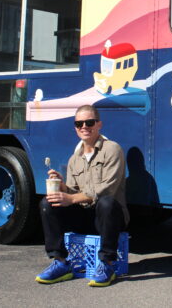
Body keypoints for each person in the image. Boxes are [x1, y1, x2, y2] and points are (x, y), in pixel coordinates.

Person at [36, 105, 129, 286]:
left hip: (109, 218)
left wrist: (71, 198)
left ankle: (107, 264)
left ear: (99, 124)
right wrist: (63, 187)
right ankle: (61, 263)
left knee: (107, 203)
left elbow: (107, 190)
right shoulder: (74, 159)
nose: (84, 127)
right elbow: (74, 192)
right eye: (79, 123)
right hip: (85, 216)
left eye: (89, 122)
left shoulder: (112, 149)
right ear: (75, 127)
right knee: (47, 203)